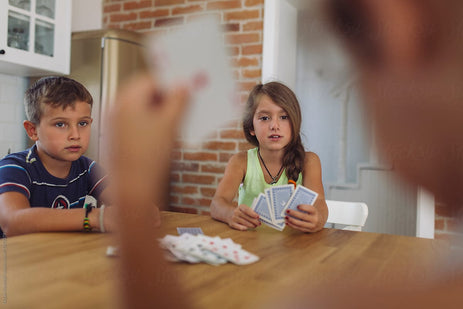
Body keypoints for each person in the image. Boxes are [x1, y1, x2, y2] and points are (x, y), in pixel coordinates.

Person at [0, 76, 114, 237]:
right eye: (60, 124)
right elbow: (12, 222)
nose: (75, 135)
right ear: (32, 130)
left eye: (83, 123)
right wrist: (95, 217)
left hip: (60, 257)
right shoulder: (14, 167)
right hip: (17, 260)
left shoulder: (87, 168)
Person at [210, 82, 328, 232]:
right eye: (265, 118)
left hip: (293, 248)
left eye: (284, 117)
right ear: (251, 127)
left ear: (295, 123)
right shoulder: (240, 162)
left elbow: (320, 203)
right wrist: (229, 214)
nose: (274, 125)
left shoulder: (309, 161)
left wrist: (317, 218)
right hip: (249, 243)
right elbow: (217, 203)